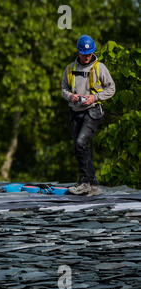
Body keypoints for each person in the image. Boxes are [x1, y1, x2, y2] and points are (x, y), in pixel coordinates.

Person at [61, 35, 116, 196]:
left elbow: (111, 88)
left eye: (89, 54)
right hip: (76, 111)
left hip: (93, 111)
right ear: (78, 52)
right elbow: (64, 88)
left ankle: (84, 182)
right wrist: (71, 96)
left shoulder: (100, 68)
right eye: (84, 54)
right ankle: (92, 183)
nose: (87, 57)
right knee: (79, 148)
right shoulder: (70, 69)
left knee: (81, 142)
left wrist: (95, 97)